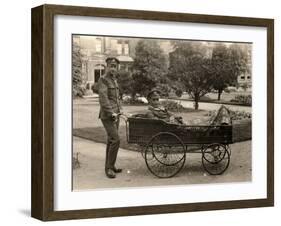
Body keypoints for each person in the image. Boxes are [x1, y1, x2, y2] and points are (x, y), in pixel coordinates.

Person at [98, 57, 122, 179]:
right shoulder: (103, 80)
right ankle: (109, 168)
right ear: (107, 66)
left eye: (115, 66)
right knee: (116, 139)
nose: (113, 68)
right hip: (108, 115)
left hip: (115, 115)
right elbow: (103, 98)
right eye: (111, 66)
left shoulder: (114, 80)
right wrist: (111, 112)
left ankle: (110, 166)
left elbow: (116, 98)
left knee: (111, 140)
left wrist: (119, 110)